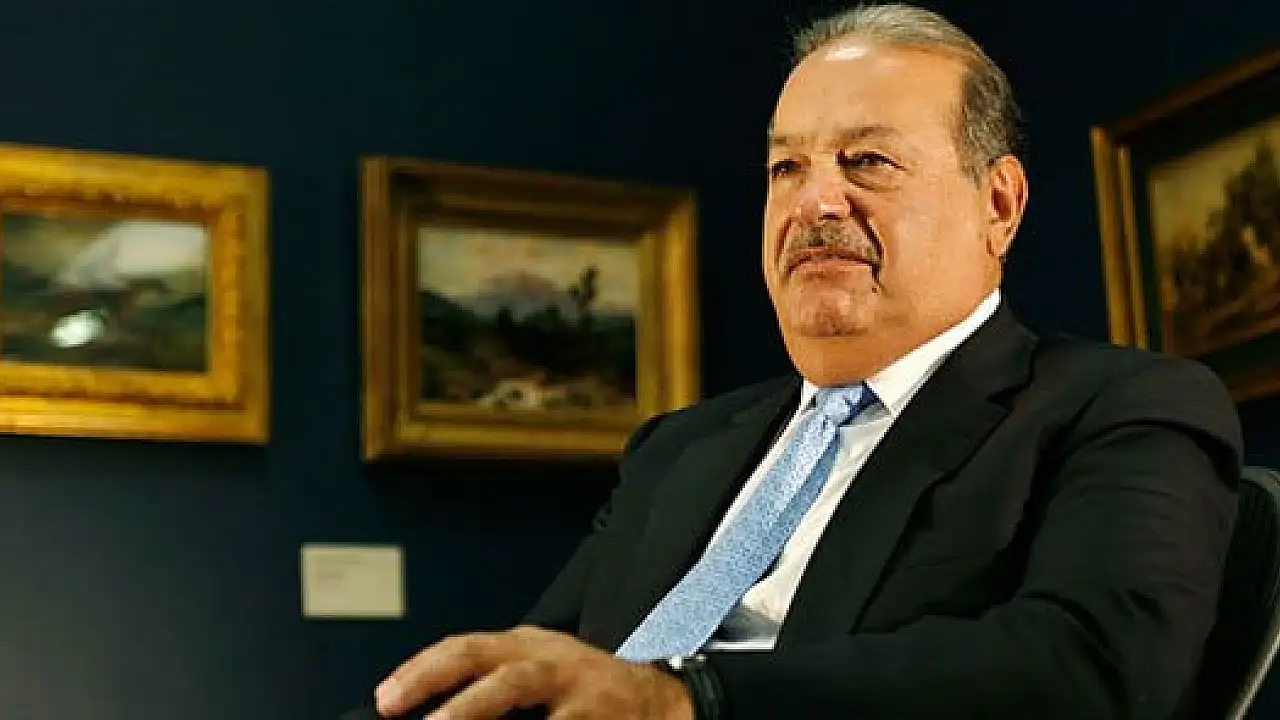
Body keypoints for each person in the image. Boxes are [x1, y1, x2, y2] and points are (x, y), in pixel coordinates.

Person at [359, 3, 1242, 719]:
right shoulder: (679, 449)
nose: (816, 201)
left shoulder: (1122, 406)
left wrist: (688, 702)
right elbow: (540, 673)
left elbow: (1095, 667)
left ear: (999, 205)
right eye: (786, 168)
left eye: (868, 160)